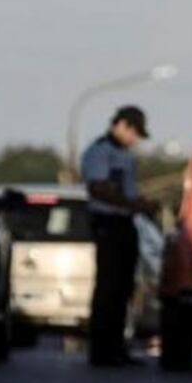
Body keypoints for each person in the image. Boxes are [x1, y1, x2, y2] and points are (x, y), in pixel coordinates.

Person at [81, 105, 158, 367]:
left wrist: (140, 204)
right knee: (108, 289)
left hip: (124, 223)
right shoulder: (100, 151)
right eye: (134, 132)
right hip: (108, 223)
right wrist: (133, 204)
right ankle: (102, 349)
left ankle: (115, 346)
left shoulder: (124, 154)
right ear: (122, 125)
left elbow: (125, 190)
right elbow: (100, 189)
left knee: (123, 288)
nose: (135, 139)